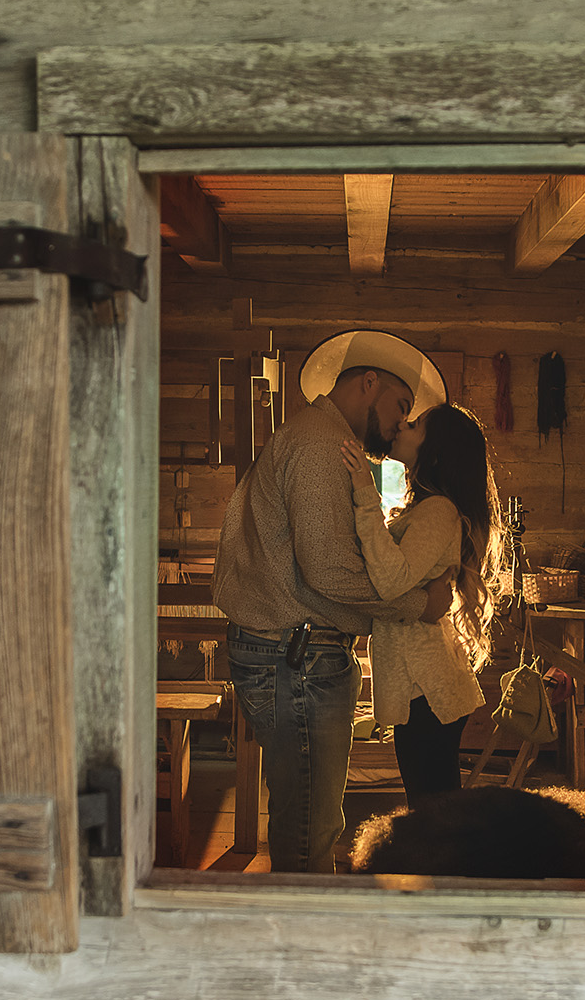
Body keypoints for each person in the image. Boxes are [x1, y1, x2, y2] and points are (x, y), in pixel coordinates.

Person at [214, 329, 453, 873]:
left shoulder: (320, 439)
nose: (398, 425)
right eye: (400, 407)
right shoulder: (321, 443)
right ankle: (303, 948)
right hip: (295, 657)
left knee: (312, 825)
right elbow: (328, 570)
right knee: (309, 834)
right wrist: (419, 604)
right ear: (368, 383)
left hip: (294, 653)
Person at [339, 403, 508, 806]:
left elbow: (392, 580)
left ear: (434, 451)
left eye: (414, 425)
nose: (401, 425)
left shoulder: (437, 511)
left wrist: (366, 493)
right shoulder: (431, 508)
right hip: (424, 686)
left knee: (434, 812)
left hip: (426, 689)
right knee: (433, 808)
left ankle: (445, 871)